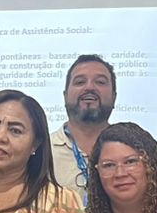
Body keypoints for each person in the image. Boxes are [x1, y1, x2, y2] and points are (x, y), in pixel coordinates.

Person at [49, 55, 116, 196]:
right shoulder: (43, 151)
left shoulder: (131, 151)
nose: (89, 87)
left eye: (100, 82)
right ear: (65, 96)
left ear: (114, 97)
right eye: (80, 82)